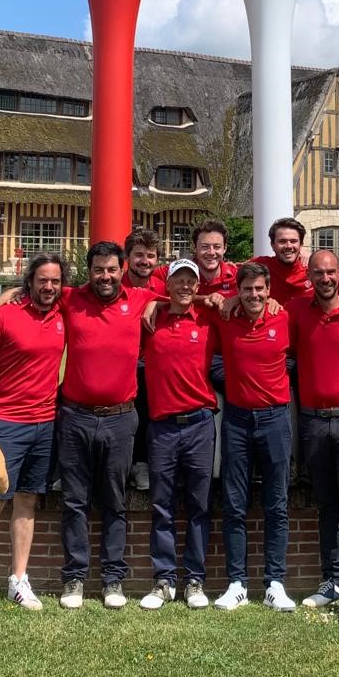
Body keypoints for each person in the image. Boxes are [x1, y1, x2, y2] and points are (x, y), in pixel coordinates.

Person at [0, 253, 67, 621]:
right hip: (5, 424)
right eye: (42, 280)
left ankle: (18, 580)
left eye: (55, 281)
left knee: (27, 503)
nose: (48, 286)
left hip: (46, 424)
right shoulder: (3, 317)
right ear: (30, 281)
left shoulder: (63, 313)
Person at [55, 240, 160, 610]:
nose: (105, 276)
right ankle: (74, 578)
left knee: (115, 501)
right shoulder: (70, 298)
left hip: (120, 419)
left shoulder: (140, 298)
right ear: (89, 271)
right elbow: (26, 291)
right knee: (75, 501)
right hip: (75, 417)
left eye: (112, 269)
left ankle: (113, 578)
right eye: (98, 269)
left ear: (122, 270)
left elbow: (187, 297)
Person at [287, 250, 339, 626]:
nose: (325, 279)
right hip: (313, 422)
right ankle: (332, 581)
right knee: (326, 507)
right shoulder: (296, 311)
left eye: (330, 272)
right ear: (309, 276)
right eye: (317, 273)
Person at [211, 262, 295, 612]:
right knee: (234, 504)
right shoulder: (226, 317)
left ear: (269, 290)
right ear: (238, 291)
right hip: (237, 420)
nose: (254, 295)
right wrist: (221, 299)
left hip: (275, 419)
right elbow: (189, 299)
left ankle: (275, 583)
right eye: (247, 289)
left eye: (260, 289)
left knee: (277, 504)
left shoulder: (283, 317)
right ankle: (237, 583)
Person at [138, 259, 218, 611]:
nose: (185, 286)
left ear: (198, 286)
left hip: (200, 424)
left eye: (191, 281)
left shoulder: (209, 319)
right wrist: (154, 303)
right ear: (167, 285)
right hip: (163, 426)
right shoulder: (150, 319)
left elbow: (233, 303)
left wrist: (209, 300)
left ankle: (195, 580)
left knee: (200, 505)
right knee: (162, 506)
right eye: (178, 280)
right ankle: (164, 580)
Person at [124, 228, 167, 491]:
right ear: (128, 257)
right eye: (139, 255)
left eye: (150, 256)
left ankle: (142, 463)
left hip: (150, 362)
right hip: (120, 362)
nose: (145, 261)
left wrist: (157, 302)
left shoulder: (162, 287)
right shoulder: (114, 284)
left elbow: (186, 299)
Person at [252, 217, 312, 306]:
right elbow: (232, 273)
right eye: (282, 241)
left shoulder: (314, 270)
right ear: (272, 245)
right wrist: (235, 298)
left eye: (293, 241)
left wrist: (314, 256)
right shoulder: (261, 265)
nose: (288, 246)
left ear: (301, 245)